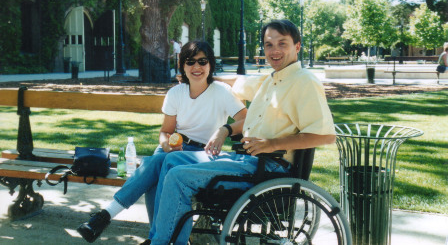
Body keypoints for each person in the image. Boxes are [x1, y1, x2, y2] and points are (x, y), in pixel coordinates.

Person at [144, 19, 336, 244]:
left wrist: (271, 144)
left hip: (268, 168)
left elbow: (325, 135)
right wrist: (194, 77)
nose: (274, 51)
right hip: (247, 160)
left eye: (282, 44)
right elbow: (236, 82)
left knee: (177, 176)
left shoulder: (304, 81)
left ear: (297, 46)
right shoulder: (272, 79)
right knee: (171, 160)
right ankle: (160, 238)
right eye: (268, 45)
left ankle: (161, 242)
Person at [77, 41, 247, 243]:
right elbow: (165, 132)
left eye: (202, 61)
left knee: (154, 164)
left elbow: (246, 119)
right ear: (182, 66)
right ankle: (158, 238)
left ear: (210, 64)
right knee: (156, 167)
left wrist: (224, 130)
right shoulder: (176, 93)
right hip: (176, 147)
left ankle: (106, 216)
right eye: (190, 62)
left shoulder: (220, 91)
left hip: (202, 154)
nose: (196, 67)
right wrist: (166, 145)